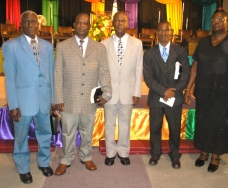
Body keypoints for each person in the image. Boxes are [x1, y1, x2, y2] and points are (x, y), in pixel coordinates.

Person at [184, 9, 228, 172]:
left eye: (220, 19)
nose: (216, 21)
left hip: (224, 92)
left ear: (226, 22)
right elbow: (195, 67)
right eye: (214, 19)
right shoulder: (203, 42)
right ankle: (204, 152)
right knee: (204, 122)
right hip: (204, 90)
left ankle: (216, 155)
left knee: (220, 124)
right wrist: (188, 88)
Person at [54, 13, 112, 175]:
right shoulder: (63, 46)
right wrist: (58, 98)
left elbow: (104, 72)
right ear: (74, 24)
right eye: (78, 22)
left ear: (89, 26)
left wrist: (107, 93)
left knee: (87, 130)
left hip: (89, 99)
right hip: (69, 98)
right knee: (68, 131)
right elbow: (57, 74)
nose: (81, 25)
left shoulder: (99, 48)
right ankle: (66, 159)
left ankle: (86, 156)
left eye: (85, 23)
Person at [2, 10, 54, 184]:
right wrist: (13, 105)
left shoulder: (47, 46)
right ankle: (23, 167)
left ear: (38, 25)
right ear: (21, 25)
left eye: (33, 21)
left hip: (44, 99)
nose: (30, 25)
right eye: (26, 22)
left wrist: (52, 99)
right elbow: (9, 78)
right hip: (23, 102)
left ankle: (44, 162)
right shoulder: (11, 46)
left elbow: (51, 75)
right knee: (21, 135)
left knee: (45, 133)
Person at [143, 21, 190, 169]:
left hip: (174, 97)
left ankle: (175, 155)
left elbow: (185, 74)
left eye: (167, 30)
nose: (164, 33)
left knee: (175, 128)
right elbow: (148, 77)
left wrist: (173, 91)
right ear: (156, 32)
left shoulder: (181, 51)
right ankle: (155, 153)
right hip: (157, 97)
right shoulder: (149, 53)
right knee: (155, 127)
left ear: (171, 32)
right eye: (160, 30)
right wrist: (163, 91)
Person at [101, 12, 143, 166]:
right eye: (117, 20)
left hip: (128, 91)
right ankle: (110, 153)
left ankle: (124, 152)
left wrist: (137, 92)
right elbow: (102, 70)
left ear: (127, 23)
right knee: (109, 124)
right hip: (109, 92)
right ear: (113, 23)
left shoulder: (137, 44)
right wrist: (103, 92)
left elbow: (138, 69)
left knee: (125, 124)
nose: (120, 23)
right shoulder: (103, 44)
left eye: (123, 20)